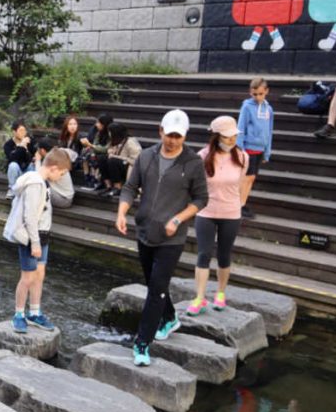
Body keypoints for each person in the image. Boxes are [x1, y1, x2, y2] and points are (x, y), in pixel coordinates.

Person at [116, 109, 208, 367]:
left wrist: (179, 218)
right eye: (169, 135)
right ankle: (169, 318)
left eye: (178, 136)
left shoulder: (192, 163)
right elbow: (130, 188)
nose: (173, 140)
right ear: (161, 131)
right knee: (154, 285)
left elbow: (201, 199)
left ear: (185, 136)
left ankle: (142, 343)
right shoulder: (146, 156)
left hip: (172, 237)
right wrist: (122, 212)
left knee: (156, 287)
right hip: (145, 230)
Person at [7, 148, 73, 333]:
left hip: (43, 234)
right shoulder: (36, 183)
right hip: (31, 237)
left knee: (39, 275)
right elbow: (29, 215)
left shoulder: (42, 179)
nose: (61, 176)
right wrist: (34, 242)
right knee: (27, 277)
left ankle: (34, 312)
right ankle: (18, 314)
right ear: (53, 168)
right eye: (62, 173)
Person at [187, 116, 247, 316]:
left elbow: (241, 184)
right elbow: (194, 185)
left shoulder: (242, 157)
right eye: (227, 137)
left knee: (224, 254)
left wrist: (240, 204)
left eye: (233, 136)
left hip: (231, 213)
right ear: (216, 136)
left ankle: (220, 293)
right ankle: (199, 297)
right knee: (204, 253)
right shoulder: (202, 156)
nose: (232, 140)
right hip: (206, 211)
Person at [236, 77, 272, 219]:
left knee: (251, 178)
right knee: (246, 177)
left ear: (266, 91)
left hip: (260, 149)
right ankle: (239, 205)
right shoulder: (247, 106)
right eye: (254, 94)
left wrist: (267, 152)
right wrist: (240, 148)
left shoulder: (268, 109)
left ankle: (242, 203)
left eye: (260, 94)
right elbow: (241, 127)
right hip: (248, 148)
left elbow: (269, 130)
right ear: (250, 93)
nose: (257, 97)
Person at [95, 122, 142, 198]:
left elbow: (137, 160)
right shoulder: (115, 141)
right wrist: (110, 152)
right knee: (102, 158)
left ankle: (118, 187)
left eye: (110, 132)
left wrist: (117, 157)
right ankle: (108, 185)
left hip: (130, 168)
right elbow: (110, 152)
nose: (109, 134)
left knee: (112, 160)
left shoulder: (130, 142)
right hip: (117, 166)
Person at [34, 136, 74, 209]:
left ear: (42, 150)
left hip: (63, 199)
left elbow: (39, 178)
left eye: (38, 149)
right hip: (64, 196)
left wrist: (38, 160)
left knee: (38, 187)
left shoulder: (51, 161)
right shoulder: (58, 156)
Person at [79, 113, 112, 190]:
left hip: (108, 154)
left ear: (104, 124)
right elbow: (95, 143)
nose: (96, 125)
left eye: (98, 123)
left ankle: (96, 179)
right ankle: (88, 177)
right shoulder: (98, 132)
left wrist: (90, 145)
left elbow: (106, 149)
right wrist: (87, 145)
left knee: (95, 157)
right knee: (86, 153)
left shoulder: (111, 134)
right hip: (98, 152)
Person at [3, 119, 34, 198]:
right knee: (13, 165)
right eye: (21, 130)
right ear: (14, 132)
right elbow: (12, 158)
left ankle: (31, 190)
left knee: (32, 165)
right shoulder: (8, 145)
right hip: (16, 173)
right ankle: (12, 189)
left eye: (24, 131)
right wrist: (21, 146)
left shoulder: (29, 141)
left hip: (27, 171)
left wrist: (27, 149)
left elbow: (31, 158)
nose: (23, 133)